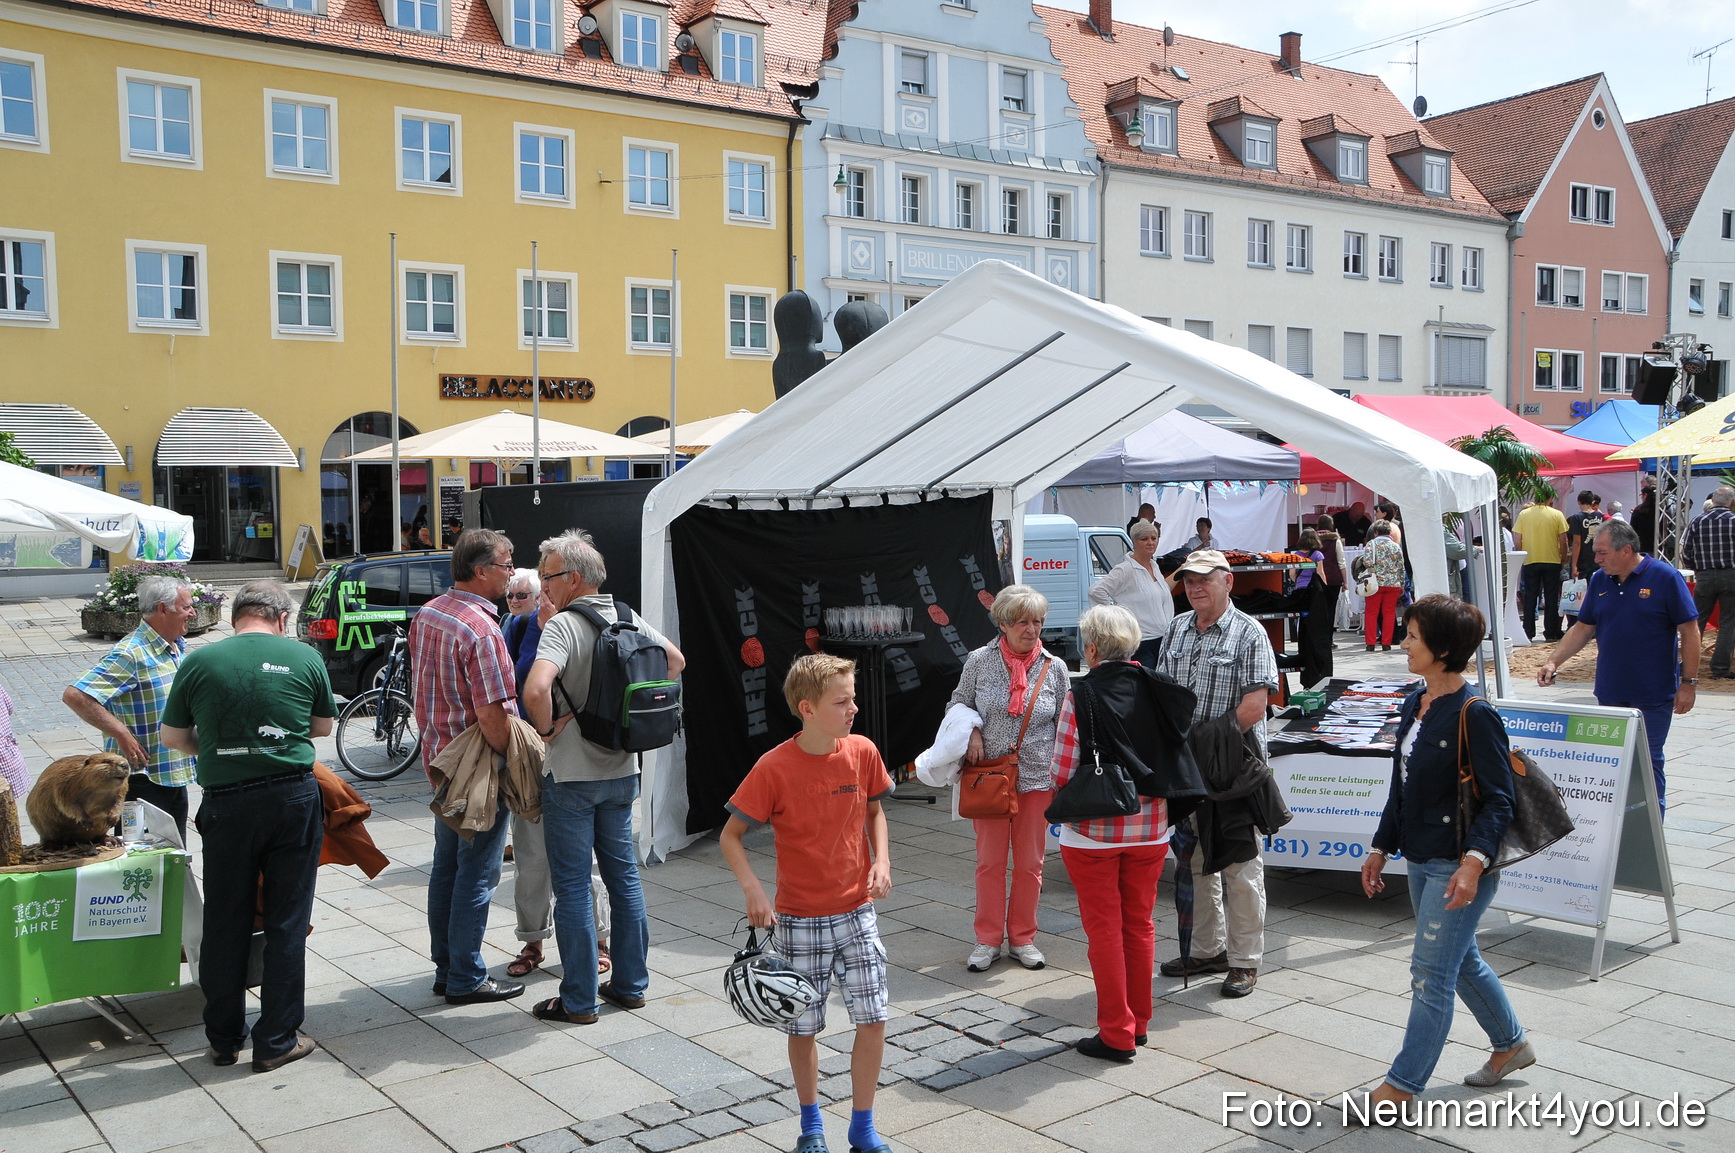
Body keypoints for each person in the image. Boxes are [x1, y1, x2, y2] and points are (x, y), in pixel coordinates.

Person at [1360, 594, 1531, 1113]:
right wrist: (1381, 846)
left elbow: (1500, 799)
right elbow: (1403, 785)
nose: (1403, 643)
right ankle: (1512, 1045)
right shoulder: (1417, 701)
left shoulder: (1475, 714)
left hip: (1456, 863)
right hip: (1420, 855)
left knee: (1430, 975)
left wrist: (1473, 865)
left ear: (1443, 648)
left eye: (1413, 636)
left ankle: (1400, 1087)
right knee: (1459, 960)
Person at [720, 653, 894, 1153]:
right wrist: (753, 888)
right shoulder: (773, 767)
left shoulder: (863, 751)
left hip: (857, 911)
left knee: (874, 1018)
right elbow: (731, 836)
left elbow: (875, 812)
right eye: (842, 701)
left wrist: (882, 861)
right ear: (808, 708)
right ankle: (811, 1126)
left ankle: (863, 1127)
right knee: (803, 1026)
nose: (854, 708)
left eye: (853, 698)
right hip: (799, 920)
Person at [160, 582, 336, 1073]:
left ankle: (222, 1039)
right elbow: (322, 727)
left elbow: (172, 736)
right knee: (286, 920)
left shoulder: (198, 661)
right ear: (281, 618)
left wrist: (220, 747)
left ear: (235, 617)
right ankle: (276, 1039)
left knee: (224, 920)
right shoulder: (304, 657)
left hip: (227, 803)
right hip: (290, 797)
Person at [523, 530, 684, 1024]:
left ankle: (578, 1000)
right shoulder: (627, 615)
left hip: (572, 776)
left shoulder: (563, 625)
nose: (544, 585)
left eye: (548, 576)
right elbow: (675, 661)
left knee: (572, 887)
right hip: (622, 769)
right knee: (624, 879)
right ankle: (631, 986)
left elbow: (536, 689)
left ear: (573, 578)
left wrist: (546, 729)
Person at [1051, 606, 1205, 1062]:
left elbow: (1062, 770)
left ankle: (1116, 1034)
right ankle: (1138, 1024)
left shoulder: (1081, 694)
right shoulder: (1160, 687)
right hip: (1151, 827)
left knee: (1104, 931)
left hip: (1092, 833)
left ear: (1091, 649)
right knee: (1139, 925)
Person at [408, 528, 526, 1004]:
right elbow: (493, 714)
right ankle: (465, 976)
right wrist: (509, 759)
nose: (512, 573)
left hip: (440, 760)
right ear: (481, 571)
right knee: (476, 874)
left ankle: (447, 967)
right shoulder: (481, 629)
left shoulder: (431, 612)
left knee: (448, 869)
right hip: (476, 768)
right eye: (506, 564)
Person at [1157, 551, 1278, 998]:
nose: (1195, 588)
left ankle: (1244, 961)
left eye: (1204, 579)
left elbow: (1253, 709)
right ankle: (1207, 950)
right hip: (1186, 770)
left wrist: (1200, 744)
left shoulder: (1249, 632)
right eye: (1189, 581)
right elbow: (1164, 694)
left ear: (1228, 582)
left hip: (1231, 768)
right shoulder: (1176, 628)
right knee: (1192, 863)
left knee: (1240, 867)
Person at [1539, 521, 1699, 813]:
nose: (1596, 558)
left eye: (1602, 552)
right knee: (1611, 762)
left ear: (1626, 550)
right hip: (1610, 692)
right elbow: (1583, 627)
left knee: (1647, 763)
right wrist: (1553, 660)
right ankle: (1615, 826)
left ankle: (1652, 827)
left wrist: (1689, 683)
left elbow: (1690, 630)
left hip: (1652, 694)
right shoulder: (1600, 580)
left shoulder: (1665, 577)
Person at [950, 585, 1066, 972]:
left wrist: (1065, 773)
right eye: (1022, 623)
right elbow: (958, 703)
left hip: (1037, 777)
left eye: (1037, 622)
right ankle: (987, 939)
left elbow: (1066, 722)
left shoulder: (1054, 666)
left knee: (1031, 863)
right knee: (990, 863)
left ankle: (1023, 938)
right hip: (989, 776)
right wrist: (972, 732)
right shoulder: (979, 661)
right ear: (1003, 624)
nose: (1032, 630)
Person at [62, 575, 197, 842]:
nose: (192, 613)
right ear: (163, 609)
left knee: (174, 856)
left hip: (171, 773)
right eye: (186, 607)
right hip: (141, 780)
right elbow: (75, 695)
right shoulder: (131, 653)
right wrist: (121, 733)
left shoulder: (173, 646)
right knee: (142, 858)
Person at [1088, 519, 1176, 667]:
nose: (1150, 542)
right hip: (1142, 643)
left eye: (1154, 538)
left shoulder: (1154, 566)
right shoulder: (1125, 569)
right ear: (1134, 542)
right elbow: (1096, 591)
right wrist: (1117, 618)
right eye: (1144, 539)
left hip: (1163, 639)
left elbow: (1162, 592)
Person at [1682, 486, 1735, 680]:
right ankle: (1720, 668)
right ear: (1732, 502)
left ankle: (1687, 664)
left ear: (1712, 500)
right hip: (1730, 575)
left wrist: (1696, 568)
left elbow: (1686, 551)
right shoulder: (1733, 520)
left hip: (1704, 575)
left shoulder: (1698, 520)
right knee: (1728, 622)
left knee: (1696, 622)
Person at [1514, 489, 1570, 643]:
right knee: (1551, 597)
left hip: (1531, 559)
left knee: (1530, 597)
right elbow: (1563, 540)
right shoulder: (1557, 514)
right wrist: (1563, 557)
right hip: (1552, 560)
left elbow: (1518, 539)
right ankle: (1551, 632)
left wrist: (1521, 555)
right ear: (1550, 498)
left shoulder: (1524, 514)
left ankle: (1528, 631)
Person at [1362, 520, 1405, 653]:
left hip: (1375, 582)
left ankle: (1370, 643)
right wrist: (1402, 584)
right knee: (1389, 613)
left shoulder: (1371, 544)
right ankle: (1387, 643)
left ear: (1376, 532)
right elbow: (1401, 567)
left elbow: (1367, 562)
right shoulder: (1396, 546)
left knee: (1371, 612)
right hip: (1393, 583)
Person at [1566, 490, 1606, 583]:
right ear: (1592, 502)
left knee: (1581, 588)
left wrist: (1574, 565)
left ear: (1578, 501)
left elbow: (1577, 542)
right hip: (1597, 557)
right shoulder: (1600, 516)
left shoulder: (1576, 518)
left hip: (1582, 560)